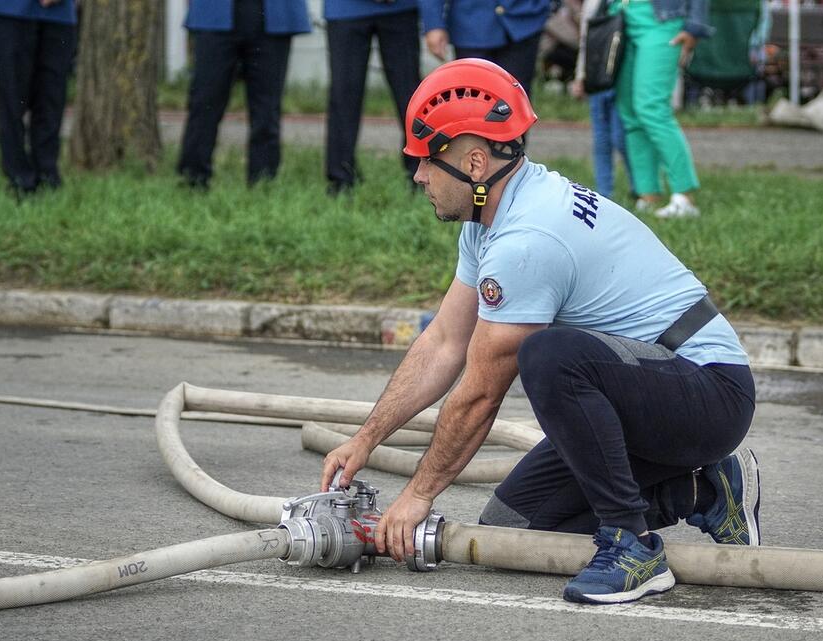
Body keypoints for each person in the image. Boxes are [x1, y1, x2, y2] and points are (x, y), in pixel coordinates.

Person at [320, 59, 760, 606]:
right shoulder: (492, 216)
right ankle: (701, 489)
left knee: (549, 355)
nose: (418, 176)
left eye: (427, 161)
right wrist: (366, 439)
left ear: (475, 162)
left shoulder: (527, 239)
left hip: (709, 393)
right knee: (514, 530)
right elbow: (444, 343)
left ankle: (633, 546)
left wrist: (417, 496)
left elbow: (481, 389)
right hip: (654, 391)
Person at [176, 0, 311, 189]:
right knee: (205, 102)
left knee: (267, 109)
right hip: (214, 14)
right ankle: (193, 179)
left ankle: (263, 182)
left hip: (272, 15)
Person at [613, 0, 711, 219]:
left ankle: (684, 196)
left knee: (651, 108)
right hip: (621, 16)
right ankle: (648, 195)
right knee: (629, 113)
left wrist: (694, 25)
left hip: (662, 19)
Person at [0, 0, 77, 197]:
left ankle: (47, 175)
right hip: (7, 8)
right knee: (10, 97)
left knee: (51, 97)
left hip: (59, 12)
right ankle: (21, 180)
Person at [323, 0, 421, 195]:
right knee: (344, 94)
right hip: (345, 9)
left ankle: (422, 173)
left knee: (411, 95)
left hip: (400, 7)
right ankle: (341, 179)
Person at [417, 0, 551, 96]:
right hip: (471, 24)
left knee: (516, 100)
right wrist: (433, 23)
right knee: (474, 102)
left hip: (524, 18)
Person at [571, 0, 633, 199]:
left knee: (620, 136)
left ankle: (639, 188)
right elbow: (586, 40)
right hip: (597, 76)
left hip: (622, 78)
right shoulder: (593, 4)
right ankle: (604, 193)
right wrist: (581, 75)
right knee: (601, 139)